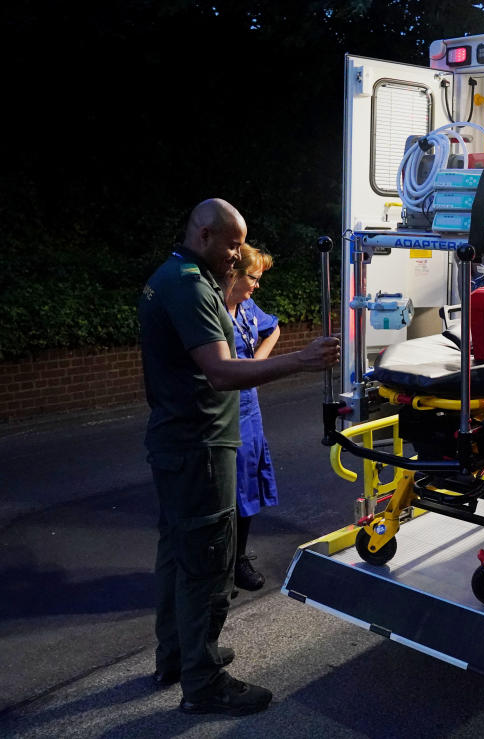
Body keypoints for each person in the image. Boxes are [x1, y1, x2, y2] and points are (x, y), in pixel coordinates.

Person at [138, 198, 338, 716]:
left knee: (177, 555)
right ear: (203, 233)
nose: (239, 254)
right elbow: (222, 373)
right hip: (200, 447)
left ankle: (177, 656)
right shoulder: (188, 285)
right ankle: (203, 684)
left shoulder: (177, 275)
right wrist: (301, 359)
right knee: (208, 563)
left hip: (180, 443)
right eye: (231, 243)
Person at [221, 243, 280, 592]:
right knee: (224, 493)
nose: (257, 286)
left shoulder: (246, 306)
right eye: (254, 278)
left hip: (249, 410)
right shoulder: (215, 311)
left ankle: (238, 559)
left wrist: (257, 365)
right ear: (234, 274)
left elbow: (273, 329)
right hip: (224, 410)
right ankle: (221, 567)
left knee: (246, 490)